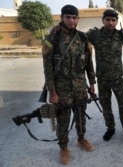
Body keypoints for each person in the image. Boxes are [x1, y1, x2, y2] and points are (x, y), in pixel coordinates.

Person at [42, 4, 96, 165]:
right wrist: (52, 92)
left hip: (80, 86)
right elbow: (48, 69)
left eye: (74, 17)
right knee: (63, 119)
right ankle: (63, 148)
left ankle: (81, 139)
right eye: (68, 17)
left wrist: (92, 83)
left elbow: (89, 63)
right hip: (62, 89)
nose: (71, 21)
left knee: (80, 116)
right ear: (62, 18)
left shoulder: (84, 38)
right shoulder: (51, 39)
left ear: (78, 19)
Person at [85, 9, 123, 143]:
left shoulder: (121, 35)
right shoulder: (95, 35)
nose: (111, 22)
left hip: (118, 79)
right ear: (103, 20)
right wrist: (58, 29)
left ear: (117, 21)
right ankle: (110, 128)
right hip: (103, 79)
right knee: (106, 106)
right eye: (108, 20)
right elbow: (77, 35)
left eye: (113, 20)